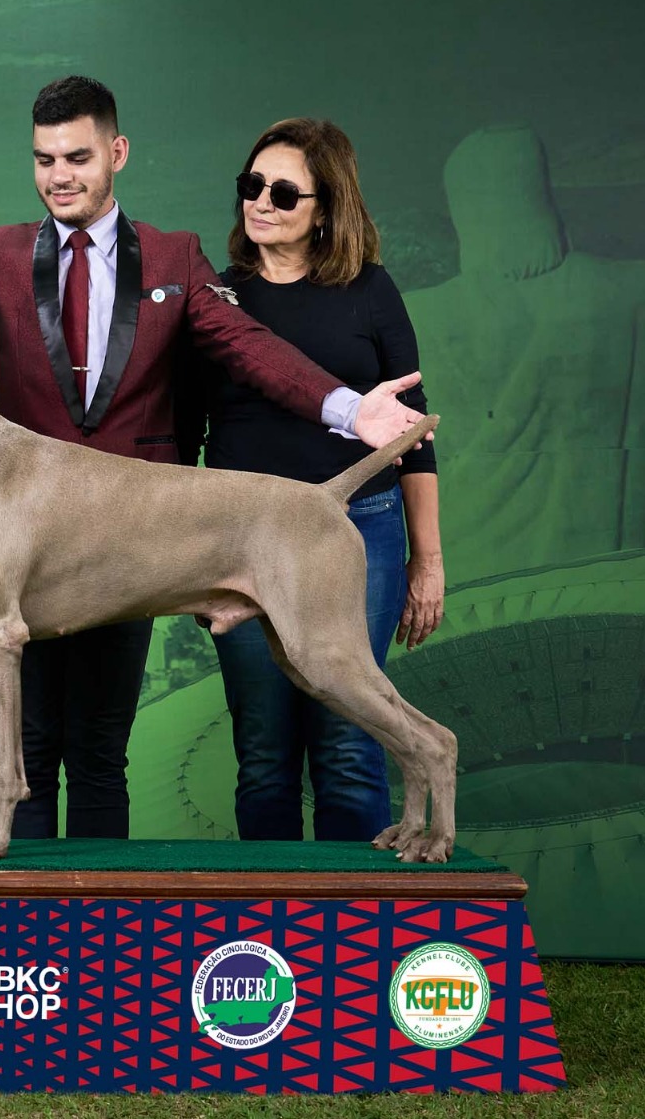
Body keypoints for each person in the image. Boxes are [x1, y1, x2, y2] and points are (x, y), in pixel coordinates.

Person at [0, 79, 428, 841]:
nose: (58, 176)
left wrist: (350, 408)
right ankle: (16, 910)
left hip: (128, 539)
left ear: (117, 152)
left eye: (77, 157)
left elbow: (248, 347)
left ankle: (95, 917)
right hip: (13, 540)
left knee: (101, 757)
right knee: (28, 745)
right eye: (44, 160)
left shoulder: (176, 257)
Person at [192, 117, 444, 842]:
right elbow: (178, 427)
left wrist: (426, 561)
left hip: (358, 529)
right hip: (239, 545)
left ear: (327, 208)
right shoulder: (215, 299)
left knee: (350, 749)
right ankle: (266, 913)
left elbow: (414, 435)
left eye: (283, 193)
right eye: (251, 185)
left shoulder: (371, 291)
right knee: (263, 756)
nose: (260, 202)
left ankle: (356, 912)